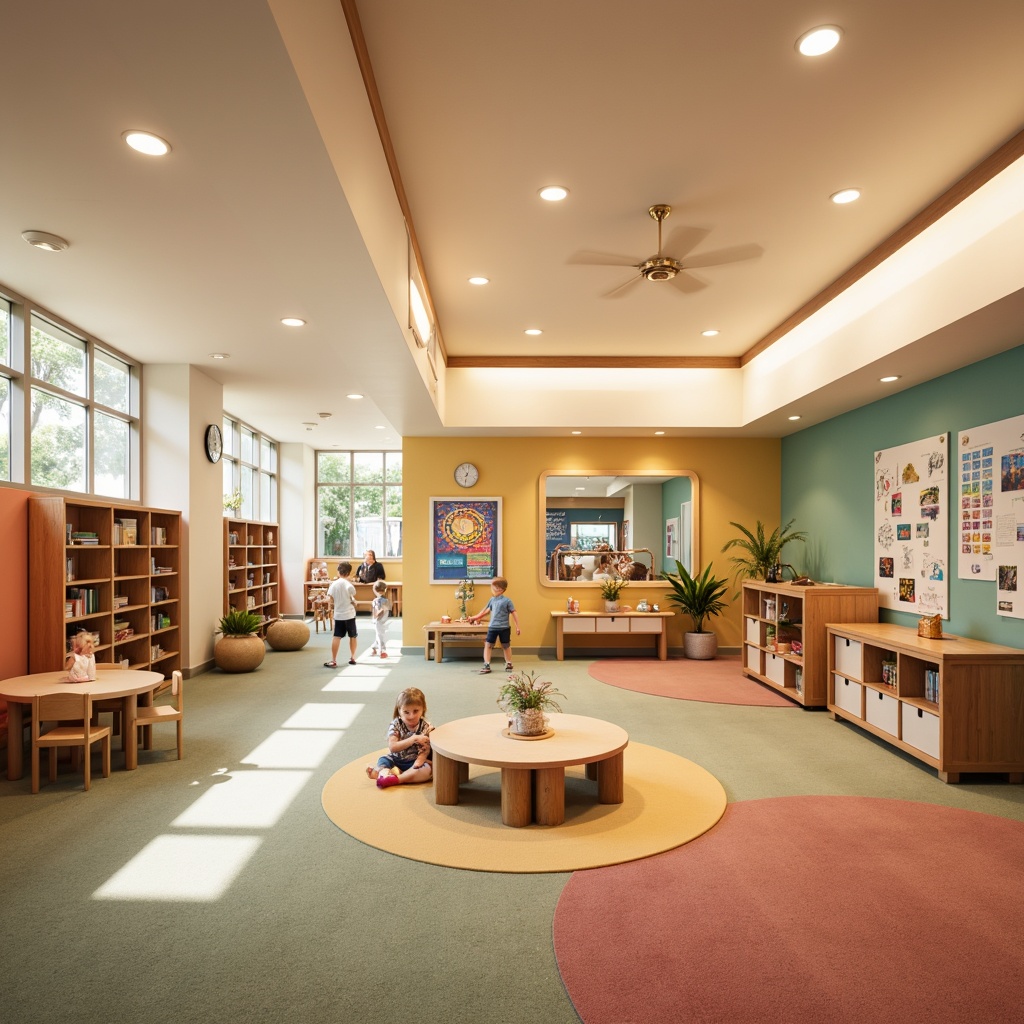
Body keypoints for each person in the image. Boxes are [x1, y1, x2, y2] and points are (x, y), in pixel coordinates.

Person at [365, 687, 433, 789]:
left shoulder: (426, 727)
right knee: (383, 760)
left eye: (416, 711)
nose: (411, 716)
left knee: (429, 769)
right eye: (406, 712)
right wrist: (413, 739)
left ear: (423, 709)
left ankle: (396, 779)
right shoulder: (396, 725)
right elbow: (393, 747)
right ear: (399, 711)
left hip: (414, 763)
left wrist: (421, 760)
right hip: (396, 759)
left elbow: (426, 750)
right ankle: (382, 772)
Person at [467, 576, 520, 674]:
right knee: (488, 645)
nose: (491, 588)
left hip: (504, 628)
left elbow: (514, 613)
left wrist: (517, 626)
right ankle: (486, 664)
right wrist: (474, 618)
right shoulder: (492, 600)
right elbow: (485, 611)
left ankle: (508, 663)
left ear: (500, 589)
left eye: (493, 586)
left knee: (506, 645)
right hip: (493, 627)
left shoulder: (507, 601)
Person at [324, 562, 358, 668]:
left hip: (339, 615)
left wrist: (323, 601)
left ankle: (334, 660)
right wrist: (353, 601)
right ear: (348, 573)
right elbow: (352, 595)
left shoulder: (333, 585)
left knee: (337, 637)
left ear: (338, 572)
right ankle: (352, 658)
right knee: (353, 636)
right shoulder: (349, 585)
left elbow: (330, 599)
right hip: (350, 615)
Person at [370, 579, 391, 658]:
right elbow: (382, 610)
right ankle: (382, 650)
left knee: (379, 635)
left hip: (379, 621)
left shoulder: (376, 600)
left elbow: (377, 611)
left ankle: (374, 647)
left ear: (374, 590)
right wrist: (376, 616)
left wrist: (375, 617)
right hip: (380, 621)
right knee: (380, 636)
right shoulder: (385, 601)